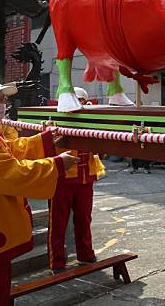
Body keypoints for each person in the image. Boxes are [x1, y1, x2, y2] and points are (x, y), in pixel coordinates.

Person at [0, 72, 79, 306]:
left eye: (1, 99)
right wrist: (57, 165)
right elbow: (9, 174)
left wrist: (43, 142)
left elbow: (7, 150)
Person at [48, 87, 106, 272]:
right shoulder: (55, 121)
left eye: (81, 100)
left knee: (84, 219)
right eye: (76, 100)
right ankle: (56, 262)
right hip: (61, 179)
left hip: (85, 179)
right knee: (58, 222)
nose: (78, 104)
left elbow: (99, 149)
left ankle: (86, 254)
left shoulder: (90, 121)